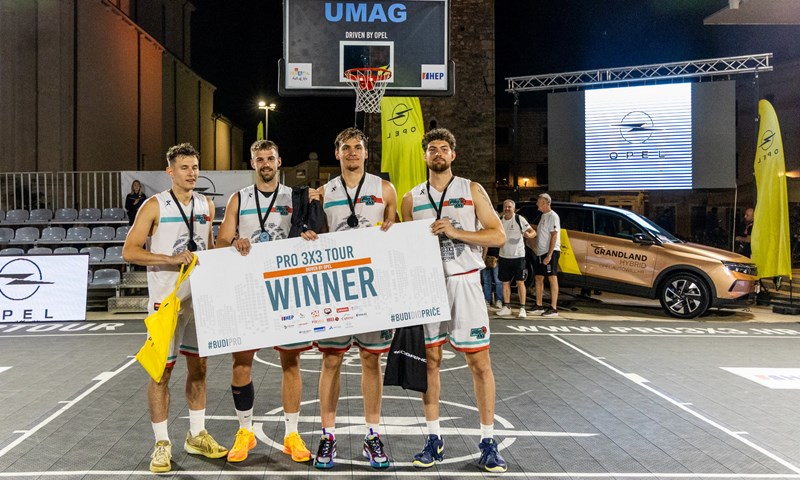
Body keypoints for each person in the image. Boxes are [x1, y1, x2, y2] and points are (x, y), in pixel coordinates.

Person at [401, 127, 509, 473]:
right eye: (432, 148)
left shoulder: (470, 189)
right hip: (428, 285)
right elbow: (404, 248)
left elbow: (498, 236)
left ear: (453, 155)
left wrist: (456, 231)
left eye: (444, 148)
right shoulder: (410, 198)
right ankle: (434, 438)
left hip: (465, 282)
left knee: (479, 363)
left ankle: (488, 441)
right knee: (430, 362)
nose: (438, 153)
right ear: (424, 156)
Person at [122, 143, 227, 473]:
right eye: (184, 167)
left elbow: (209, 248)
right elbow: (129, 251)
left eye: (195, 167)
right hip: (166, 304)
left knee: (199, 369)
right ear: (170, 172)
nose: (192, 173)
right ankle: (162, 443)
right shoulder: (154, 205)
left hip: (199, 302)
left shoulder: (206, 205)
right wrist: (169, 259)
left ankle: (196, 435)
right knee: (161, 373)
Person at [215, 140, 319, 464]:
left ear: (279, 161)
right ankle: (244, 431)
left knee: (291, 361)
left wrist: (309, 236)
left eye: (270, 158)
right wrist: (235, 241)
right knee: (241, 362)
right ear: (252, 163)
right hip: (249, 289)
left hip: (284, 289)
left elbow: (314, 233)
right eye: (259, 159)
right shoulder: (239, 198)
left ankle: (292, 434)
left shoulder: (294, 197)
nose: (265, 163)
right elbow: (220, 241)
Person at [302, 127, 398, 470]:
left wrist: (392, 229)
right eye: (346, 148)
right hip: (336, 287)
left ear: (366, 153)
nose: (353, 152)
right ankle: (327, 436)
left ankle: (372, 435)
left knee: (371, 361)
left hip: (372, 288)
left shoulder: (384, 189)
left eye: (358, 147)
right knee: (331, 361)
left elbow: (395, 231)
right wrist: (309, 236)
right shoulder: (323, 192)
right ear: (337, 153)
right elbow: (315, 234)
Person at [496, 199, 535, 318]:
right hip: (504, 255)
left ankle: (522, 308)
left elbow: (533, 232)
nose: (507, 209)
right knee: (505, 282)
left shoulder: (519, 219)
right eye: (505, 207)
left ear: (514, 208)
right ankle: (507, 307)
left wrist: (529, 235)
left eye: (509, 207)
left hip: (518, 256)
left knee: (520, 282)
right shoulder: (500, 220)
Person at [530, 193, 560, 317]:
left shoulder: (553, 216)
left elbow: (554, 235)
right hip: (540, 252)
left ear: (544, 202)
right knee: (538, 277)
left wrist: (549, 255)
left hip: (550, 251)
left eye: (538, 201)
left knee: (552, 277)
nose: (537, 203)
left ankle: (553, 308)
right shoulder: (543, 216)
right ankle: (539, 305)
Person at [481, 242, 503, 309]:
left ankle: (499, 300)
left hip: (496, 257)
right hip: (485, 257)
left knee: (498, 281)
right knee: (486, 281)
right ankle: (487, 299)